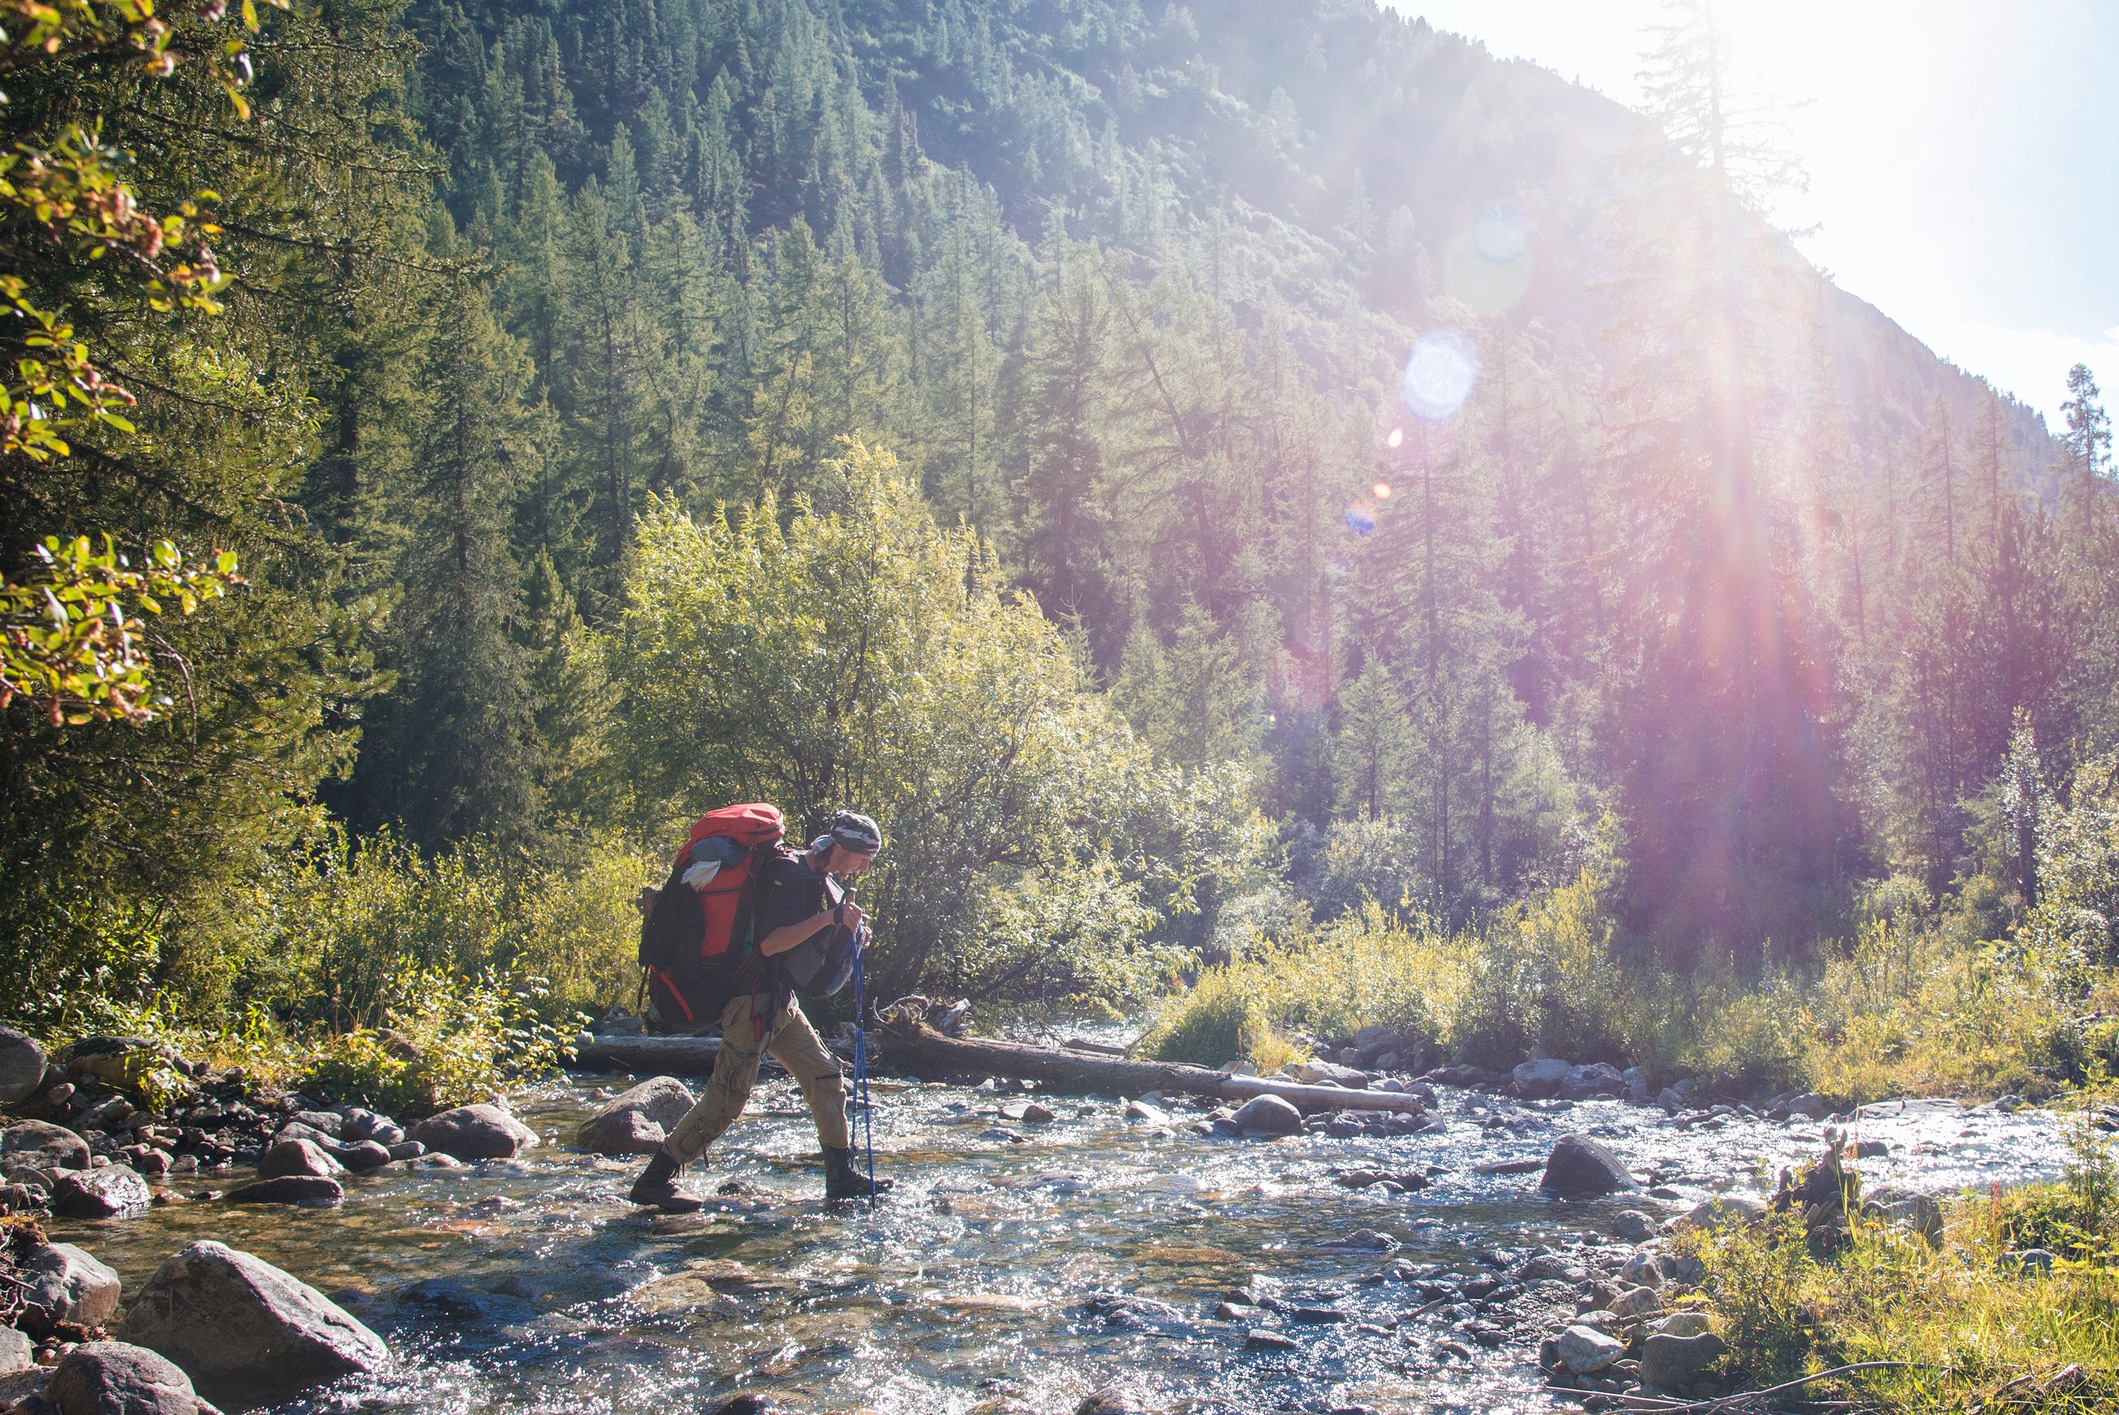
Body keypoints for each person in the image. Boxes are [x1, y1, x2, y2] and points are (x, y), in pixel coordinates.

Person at [628, 809, 890, 1210]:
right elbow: (770, 944)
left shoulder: (816, 871)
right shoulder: (789, 875)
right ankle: (654, 1179)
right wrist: (830, 917)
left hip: (778, 1001)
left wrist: (847, 930)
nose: (866, 867)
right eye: (864, 857)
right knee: (727, 1099)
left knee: (825, 1078)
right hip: (750, 1002)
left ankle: (841, 1178)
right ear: (844, 849)